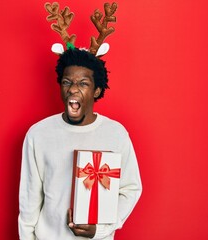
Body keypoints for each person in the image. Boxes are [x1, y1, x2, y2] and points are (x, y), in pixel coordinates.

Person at [18, 48, 142, 240]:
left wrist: (100, 229)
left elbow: (131, 189)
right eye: (67, 82)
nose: (73, 89)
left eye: (83, 83)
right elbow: (29, 200)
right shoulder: (38, 134)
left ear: (96, 90)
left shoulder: (116, 134)